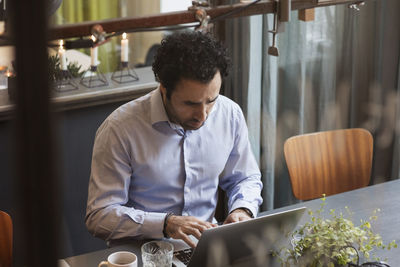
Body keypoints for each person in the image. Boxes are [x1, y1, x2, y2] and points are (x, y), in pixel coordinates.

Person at [85, 31, 263, 248]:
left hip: (204, 249)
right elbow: (99, 215)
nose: (203, 115)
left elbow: (245, 178)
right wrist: (165, 223)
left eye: (211, 100)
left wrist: (242, 209)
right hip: (143, 253)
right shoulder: (119, 129)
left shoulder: (230, 114)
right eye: (190, 104)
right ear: (164, 89)